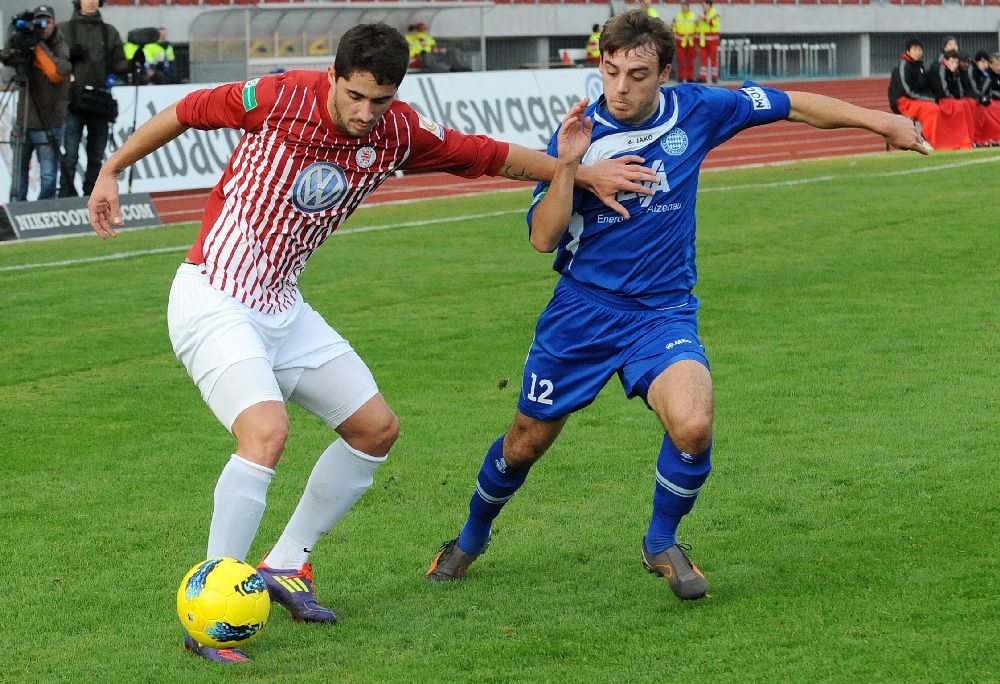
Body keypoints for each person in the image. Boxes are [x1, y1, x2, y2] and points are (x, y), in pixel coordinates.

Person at [86, 22, 656, 664]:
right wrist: (111, 169)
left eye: (378, 101)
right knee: (266, 434)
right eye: (354, 96)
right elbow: (186, 112)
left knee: (375, 429)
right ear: (335, 76)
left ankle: (285, 565)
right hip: (214, 296)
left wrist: (578, 173)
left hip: (281, 306)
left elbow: (492, 155)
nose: (364, 114)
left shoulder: (399, 132)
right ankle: (208, 610)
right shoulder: (278, 96)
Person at [426, 9, 930, 602]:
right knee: (525, 444)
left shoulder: (699, 109)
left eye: (637, 74)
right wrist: (573, 169)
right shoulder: (581, 135)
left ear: (664, 72)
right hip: (581, 313)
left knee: (693, 423)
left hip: (662, 313)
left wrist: (880, 121)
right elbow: (543, 238)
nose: (620, 87)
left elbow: (791, 102)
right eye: (611, 71)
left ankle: (660, 540)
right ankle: (470, 536)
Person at [57, 0, 131, 197]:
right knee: (70, 155)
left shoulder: (109, 31)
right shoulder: (63, 29)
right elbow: (53, 63)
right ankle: (65, 197)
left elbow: (119, 64)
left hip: (100, 102)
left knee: (97, 156)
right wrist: (67, 57)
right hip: (72, 102)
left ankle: (92, 195)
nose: (91, 2)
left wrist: (133, 63)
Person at [1, 5, 71, 202]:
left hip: (49, 121)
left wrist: (37, 46)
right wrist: (14, 33)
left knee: (48, 174)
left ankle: (42, 211)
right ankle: (16, 210)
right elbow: (6, 57)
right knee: (18, 172)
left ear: (54, 22)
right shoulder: (27, 41)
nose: (43, 26)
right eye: (39, 21)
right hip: (23, 120)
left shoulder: (60, 44)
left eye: (47, 21)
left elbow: (57, 73)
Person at [888, 39, 970, 151]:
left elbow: (926, 87)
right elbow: (907, 90)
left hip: (917, 100)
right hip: (903, 101)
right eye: (915, 49)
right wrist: (930, 99)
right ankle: (927, 140)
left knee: (939, 107)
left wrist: (931, 97)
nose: (918, 52)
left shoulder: (920, 66)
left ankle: (946, 140)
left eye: (920, 49)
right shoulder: (903, 66)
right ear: (908, 51)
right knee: (931, 109)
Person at [671, 1, 697, 83]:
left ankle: (690, 78)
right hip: (680, 41)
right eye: (682, 7)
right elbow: (674, 28)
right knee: (681, 60)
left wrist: (695, 39)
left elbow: (697, 28)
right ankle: (681, 77)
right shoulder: (677, 16)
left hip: (690, 41)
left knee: (690, 61)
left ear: (688, 7)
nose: (683, 8)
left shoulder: (694, 16)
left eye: (685, 6)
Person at [696, 0, 720, 84]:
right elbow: (700, 27)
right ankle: (703, 78)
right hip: (704, 41)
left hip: (713, 40)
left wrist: (703, 18)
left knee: (713, 59)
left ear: (709, 5)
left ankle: (714, 78)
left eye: (704, 5)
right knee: (703, 59)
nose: (703, 6)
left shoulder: (714, 13)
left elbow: (712, 23)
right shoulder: (703, 14)